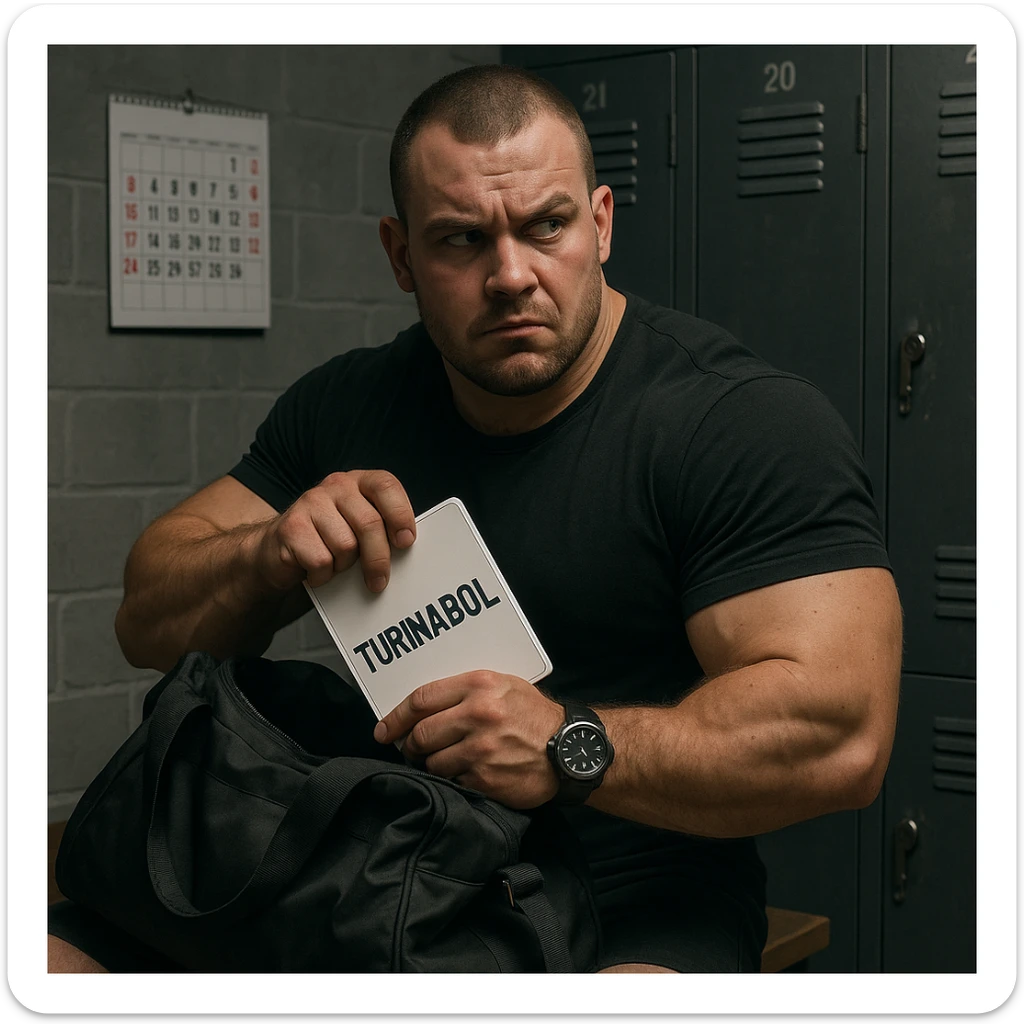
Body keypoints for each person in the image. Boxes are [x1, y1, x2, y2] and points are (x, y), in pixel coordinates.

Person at [49, 63, 903, 974]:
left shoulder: (736, 422)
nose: (510, 276)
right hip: (380, 867)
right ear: (401, 255)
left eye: (546, 226)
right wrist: (267, 553)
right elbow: (146, 619)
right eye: (461, 240)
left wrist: (573, 745)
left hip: (632, 896)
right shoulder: (345, 405)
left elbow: (841, 733)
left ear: (602, 223)